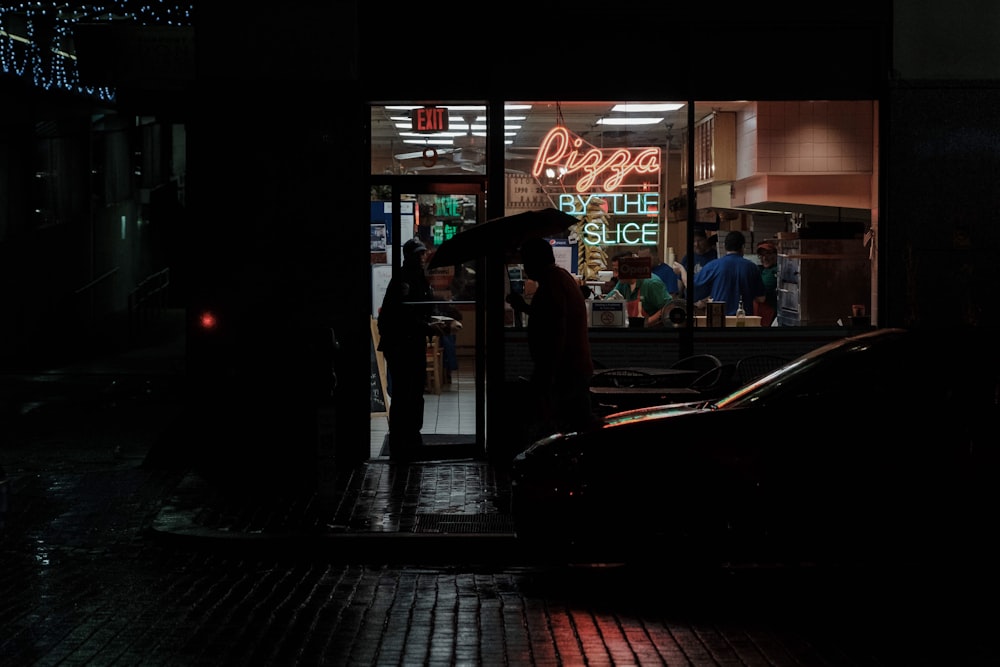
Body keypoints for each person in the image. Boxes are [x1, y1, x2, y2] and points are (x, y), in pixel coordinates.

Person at [506, 237, 596, 439]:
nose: (526, 268)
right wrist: (524, 308)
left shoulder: (553, 284)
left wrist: (549, 373)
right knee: (573, 426)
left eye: (527, 262)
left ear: (536, 261)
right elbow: (548, 317)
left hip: (564, 370)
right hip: (568, 368)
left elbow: (557, 329)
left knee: (562, 431)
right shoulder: (559, 278)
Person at [377, 238, 447, 459]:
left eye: (423, 253)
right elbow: (402, 316)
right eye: (418, 254)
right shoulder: (403, 279)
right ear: (408, 256)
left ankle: (413, 434)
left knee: (415, 391)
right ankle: (401, 437)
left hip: (413, 341)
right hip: (400, 343)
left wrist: (437, 318)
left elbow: (425, 306)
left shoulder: (419, 278)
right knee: (404, 392)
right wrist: (427, 325)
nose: (422, 257)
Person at [692, 230, 766, 316]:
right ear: (742, 247)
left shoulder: (714, 265)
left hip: (719, 319)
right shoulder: (752, 267)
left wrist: (681, 270)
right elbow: (761, 298)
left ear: (724, 247)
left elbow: (692, 283)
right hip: (743, 320)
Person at [605, 251, 672, 326]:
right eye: (614, 270)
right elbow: (607, 301)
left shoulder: (651, 283)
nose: (615, 275)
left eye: (617, 270)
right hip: (634, 331)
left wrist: (647, 322)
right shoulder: (622, 283)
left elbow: (668, 307)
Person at [674, 229, 718, 298]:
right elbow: (680, 281)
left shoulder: (715, 256)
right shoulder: (688, 257)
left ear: (705, 239)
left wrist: (705, 300)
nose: (696, 244)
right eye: (693, 241)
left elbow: (718, 285)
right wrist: (677, 296)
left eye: (699, 240)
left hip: (708, 301)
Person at [755, 240, 779, 326]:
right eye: (761, 255)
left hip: (770, 313)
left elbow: (760, 294)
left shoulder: (775, 271)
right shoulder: (763, 270)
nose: (764, 258)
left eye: (768, 254)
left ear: (776, 255)